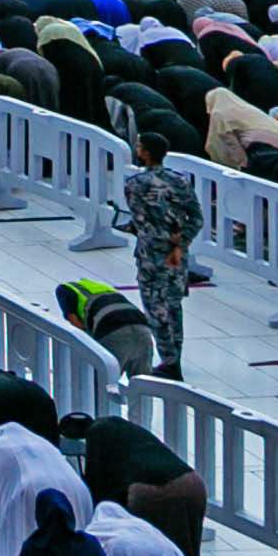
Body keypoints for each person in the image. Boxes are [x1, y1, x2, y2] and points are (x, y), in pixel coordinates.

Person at [118, 133, 201, 377]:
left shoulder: (135, 183)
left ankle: (169, 361)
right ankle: (175, 357)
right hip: (177, 256)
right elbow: (195, 218)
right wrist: (180, 241)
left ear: (146, 152)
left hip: (151, 256)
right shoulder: (180, 181)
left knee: (155, 308)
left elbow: (141, 220)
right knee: (174, 307)